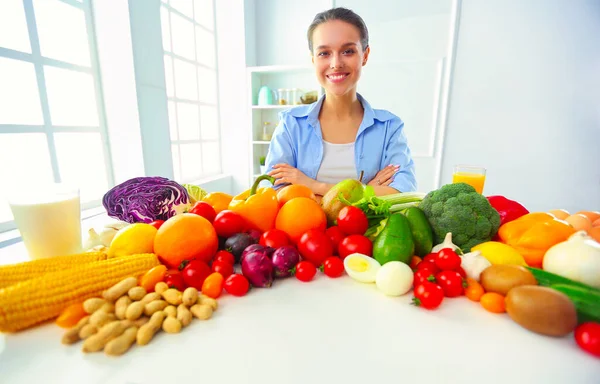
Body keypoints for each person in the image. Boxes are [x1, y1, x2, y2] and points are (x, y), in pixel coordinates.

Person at [265, 7, 417, 197]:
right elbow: (275, 193)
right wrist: (366, 189)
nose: (336, 63)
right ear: (313, 60)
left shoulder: (389, 128)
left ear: (365, 55)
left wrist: (313, 185)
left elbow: (402, 191)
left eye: (347, 51)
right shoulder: (291, 125)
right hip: (304, 228)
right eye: (324, 53)